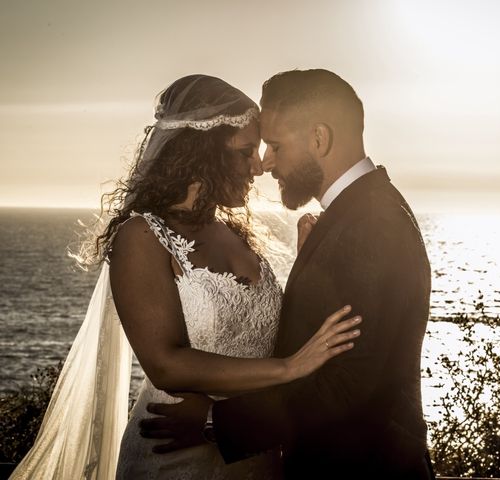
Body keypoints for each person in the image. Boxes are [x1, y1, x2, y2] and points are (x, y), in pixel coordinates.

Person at [9, 74, 361, 480]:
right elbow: (165, 364)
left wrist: (308, 266)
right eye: (245, 152)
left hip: (250, 452)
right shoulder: (141, 236)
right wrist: (288, 369)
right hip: (173, 456)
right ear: (205, 151)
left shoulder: (237, 236)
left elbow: (268, 334)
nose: (258, 167)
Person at [143, 69, 435, 479]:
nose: (265, 162)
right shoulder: (357, 214)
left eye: (276, 145)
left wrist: (213, 421)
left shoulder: (371, 224)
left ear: (319, 138)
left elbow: (349, 385)